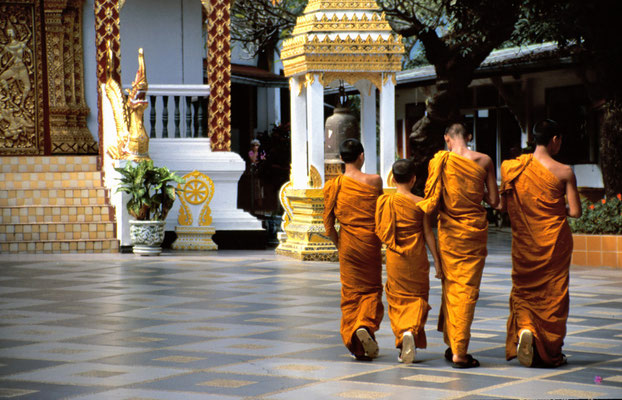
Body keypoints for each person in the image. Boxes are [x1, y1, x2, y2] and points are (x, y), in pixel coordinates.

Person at [499, 119, 581, 367]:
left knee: (525, 291)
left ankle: (526, 327)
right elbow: (575, 212)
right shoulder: (564, 171)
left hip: (525, 242)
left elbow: (504, 206)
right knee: (553, 295)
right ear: (555, 139)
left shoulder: (512, 167)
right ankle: (551, 352)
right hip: (554, 241)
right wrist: (554, 208)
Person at [418, 122, 499, 368]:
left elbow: (432, 201)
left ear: (447, 139)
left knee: (453, 287)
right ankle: (459, 352)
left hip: (450, 234)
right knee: (467, 290)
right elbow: (494, 201)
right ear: (469, 136)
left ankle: (455, 344)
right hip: (473, 233)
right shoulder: (484, 160)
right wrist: (479, 190)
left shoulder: (440, 162)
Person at [375, 159, 442, 363]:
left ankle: (404, 332)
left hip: (396, 258)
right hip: (417, 259)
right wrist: (438, 263)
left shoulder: (385, 201)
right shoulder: (420, 202)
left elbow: (379, 232)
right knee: (417, 298)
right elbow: (429, 235)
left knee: (397, 299)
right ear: (413, 180)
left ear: (392, 179)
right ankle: (411, 330)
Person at [323, 138, 384, 361]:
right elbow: (380, 213)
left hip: (348, 244)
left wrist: (339, 243)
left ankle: (356, 342)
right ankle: (365, 324)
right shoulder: (375, 181)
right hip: (370, 242)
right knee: (371, 290)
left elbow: (328, 224)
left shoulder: (333, 185)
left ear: (340, 158)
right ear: (362, 156)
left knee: (350, 294)